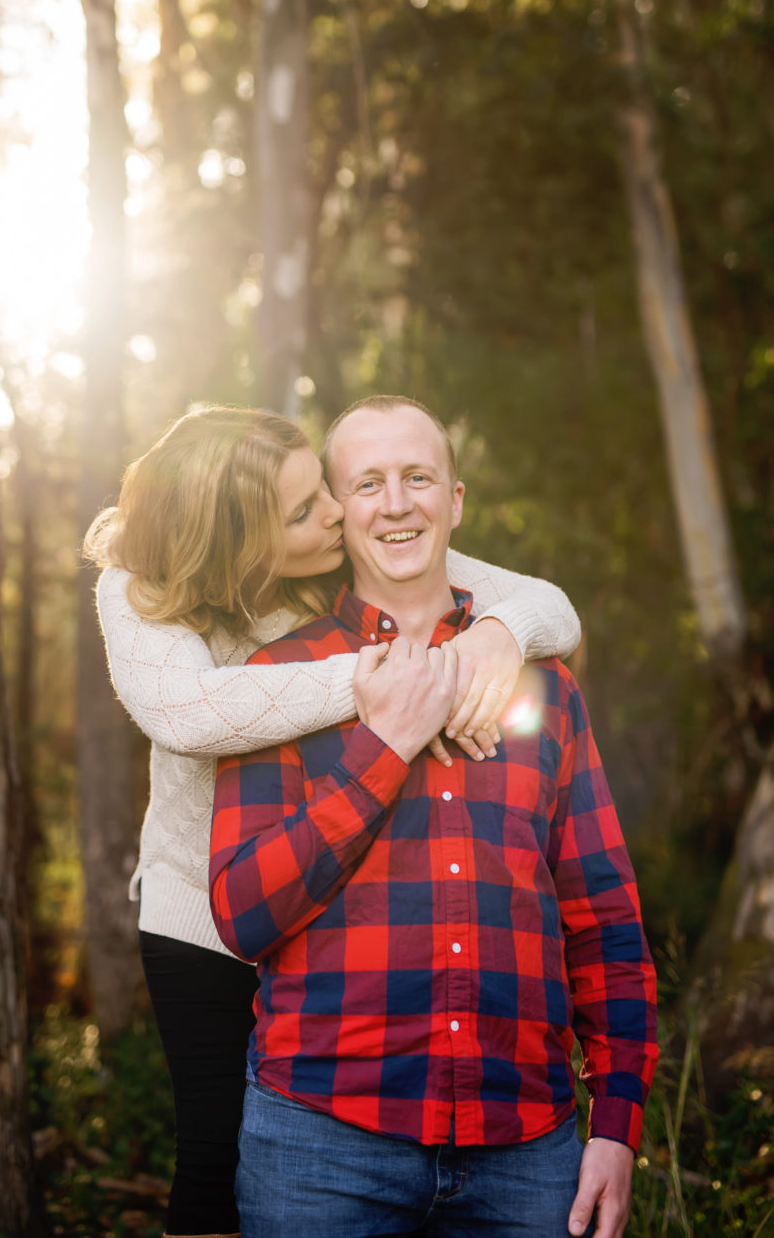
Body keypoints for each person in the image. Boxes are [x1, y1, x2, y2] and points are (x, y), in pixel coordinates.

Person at [87, 404, 582, 1238]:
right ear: (240, 542)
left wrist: (495, 634)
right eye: (303, 510)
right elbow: (189, 713)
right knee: (212, 1158)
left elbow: (550, 607)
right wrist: (401, 681)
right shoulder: (139, 591)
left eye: (322, 487)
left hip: (329, 896)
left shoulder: (332, 559)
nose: (334, 513)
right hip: (203, 915)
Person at [209, 395, 657, 1238]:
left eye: (418, 477)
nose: (396, 502)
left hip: (526, 1152)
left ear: (454, 501)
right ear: (339, 514)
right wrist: (384, 746)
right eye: (368, 482)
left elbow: (602, 920)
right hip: (320, 1146)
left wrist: (615, 1124)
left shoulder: (542, 686)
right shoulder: (277, 680)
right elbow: (243, 913)